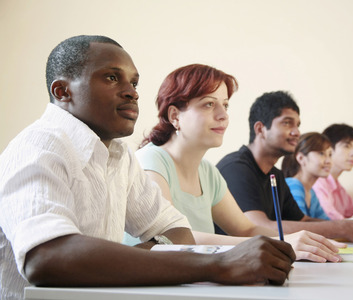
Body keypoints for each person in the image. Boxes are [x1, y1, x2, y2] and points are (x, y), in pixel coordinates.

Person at [0, 36, 295, 300]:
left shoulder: (119, 155)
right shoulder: (40, 146)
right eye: (112, 78)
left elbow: (178, 231)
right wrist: (218, 265)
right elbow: (46, 258)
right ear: (63, 91)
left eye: (134, 83)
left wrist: (109, 264)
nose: (132, 92)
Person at [134, 64, 344, 263]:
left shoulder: (207, 171)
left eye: (225, 105)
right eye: (209, 104)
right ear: (174, 116)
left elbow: (247, 229)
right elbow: (170, 238)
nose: (223, 115)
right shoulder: (151, 160)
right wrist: (280, 243)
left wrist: (305, 241)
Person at [216, 91, 353, 244]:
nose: (296, 132)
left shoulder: (276, 176)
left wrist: (352, 225)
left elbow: (304, 221)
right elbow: (257, 228)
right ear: (261, 129)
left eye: (297, 125)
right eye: (287, 123)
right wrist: (346, 228)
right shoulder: (236, 168)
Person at [281, 132, 332, 220]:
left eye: (330, 155)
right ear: (301, 158)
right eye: (321, 154)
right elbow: (299, 226)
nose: (328, 161)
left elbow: (327, 223)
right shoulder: (293, 185)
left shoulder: (311, 192)